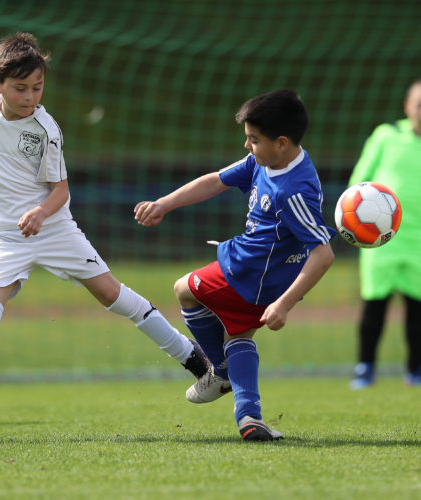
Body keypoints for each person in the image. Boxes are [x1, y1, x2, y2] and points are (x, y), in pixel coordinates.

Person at [0, 32, 209, 436]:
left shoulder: (45, 130)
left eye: (37, 87)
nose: (30, 96)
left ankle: (195, 360)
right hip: (4, 239)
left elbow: (61, 190)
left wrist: (40, 212)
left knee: (112, 295)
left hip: (53, 230)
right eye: (20, 88)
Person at [134, 90, 336, 441]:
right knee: (237, 334)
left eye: (253, 140)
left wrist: (284, 304)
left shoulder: (294, 189)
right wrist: (165, 204)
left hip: (252, 273)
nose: (247, 146)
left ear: (282, 143)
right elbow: (215, 180)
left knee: (185, 289)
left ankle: (221, 371)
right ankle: (249, 418)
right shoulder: (266, 161)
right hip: (258, 272)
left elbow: (323, 252)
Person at [348, 79, 421, 390]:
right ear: (407, 107)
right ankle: (365, 368)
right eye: (419, 104)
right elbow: (359, 181)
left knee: (418, 312)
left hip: (419, 243)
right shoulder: (386, 135)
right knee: (374, 306)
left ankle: (415, 370)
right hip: (382, 241)